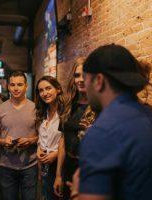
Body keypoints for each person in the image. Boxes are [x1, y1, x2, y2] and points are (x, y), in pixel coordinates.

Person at [74, 44, 152, 200]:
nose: (85, 87)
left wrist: (77, 191)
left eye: (86, 79)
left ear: (99, 81)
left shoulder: (102, 133)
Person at [54, 58, 98, 199]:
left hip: (90, 169)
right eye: (77, 75)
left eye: (85, 75)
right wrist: (58, 175)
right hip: (69, 166)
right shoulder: (68, 104)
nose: (80, 79)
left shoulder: (99, 105)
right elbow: (63, 140)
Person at [0, 71, 38, 200]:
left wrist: (31, 141)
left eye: (20, 84)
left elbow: (42, 135)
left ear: (26, 86)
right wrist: (3, 141)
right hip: (6, 165)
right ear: (8, 87)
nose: (16, 88)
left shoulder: (35, 108)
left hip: (30, 165)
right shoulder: (0, 109)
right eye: (13, 85)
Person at [35, 76, 66, 200]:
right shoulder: (42, 112)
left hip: (60, 164)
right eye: (41, 90)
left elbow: (67, 140)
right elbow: (41, 137)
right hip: (44, 165)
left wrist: (56, 154)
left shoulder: (65, 112)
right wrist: (38, 148)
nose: (44, 93)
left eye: (48, 88)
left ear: (58, 89)